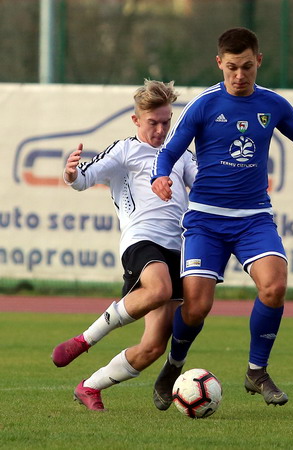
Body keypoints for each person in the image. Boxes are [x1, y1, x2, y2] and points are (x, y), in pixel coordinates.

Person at [150, 27, 293, 409]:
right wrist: (159, 176)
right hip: (206, 219)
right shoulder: (203, 105)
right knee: (196, 307)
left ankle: (256, 372)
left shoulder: (273, 105)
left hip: (253, 218)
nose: (239, 75)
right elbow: (169, 151)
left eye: (247, 67)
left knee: (274, 287)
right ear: (219, 63)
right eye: (231, 68)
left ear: (259, 61)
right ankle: (174, 364)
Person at [51, 79, 197, 411]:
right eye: (153, 123)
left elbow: (203, 186)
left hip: (178, 247)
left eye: (166, 122)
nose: (160, 130)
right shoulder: (125, 150)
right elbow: (84, 178)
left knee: (154, 347)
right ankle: (83, 340)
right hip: (141, 239)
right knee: (159, 289)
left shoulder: (181, 155)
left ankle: (90, 386)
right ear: (136, 120)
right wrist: (72, 174)